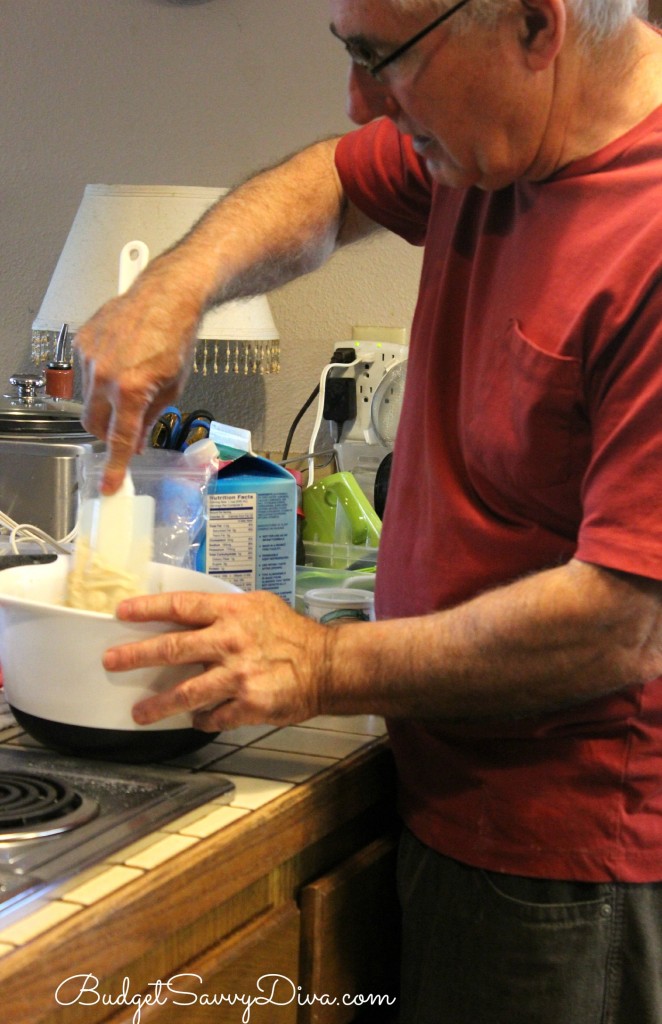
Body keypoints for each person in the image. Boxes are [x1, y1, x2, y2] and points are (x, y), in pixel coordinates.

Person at [74, 1, 662, 1021]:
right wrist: (177, 282)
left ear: (536, 24)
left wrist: (322, 664)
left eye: (383, 58)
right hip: (454, 804)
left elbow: (623, 623)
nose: (359, 100)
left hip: (569, 872)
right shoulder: (495, 144)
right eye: (347, 51)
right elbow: (333, 178)